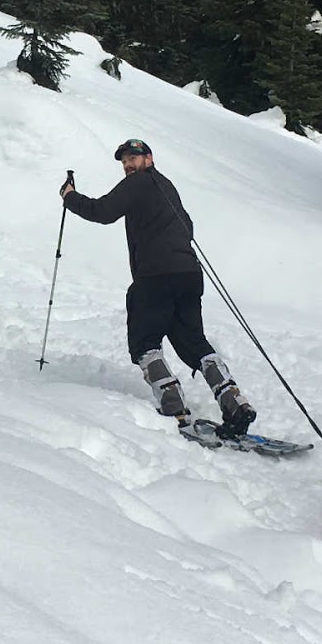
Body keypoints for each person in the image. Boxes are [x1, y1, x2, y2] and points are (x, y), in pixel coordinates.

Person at [60, 138, 256, 434]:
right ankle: (233, 399)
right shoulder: (167, 186)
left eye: (134, 158)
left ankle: (173, 404)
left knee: (145, 342)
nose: (128, 164)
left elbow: (102, 211)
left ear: (149, 158)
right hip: (189, 274)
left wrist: (70, 197)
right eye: (125, 160)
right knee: (193, 342)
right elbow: (188, 225)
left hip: (155, 275)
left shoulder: (137, 184)